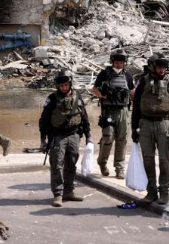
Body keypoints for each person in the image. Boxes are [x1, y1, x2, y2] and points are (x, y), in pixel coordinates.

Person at [130, 52, 169, 205]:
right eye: (159, 66)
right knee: (148, 159)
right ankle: (151, 191)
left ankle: (164, 192)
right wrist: (134, 128)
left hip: (163, 124)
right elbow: (136, 106)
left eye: (164, 67)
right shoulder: (143, 82)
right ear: (152, 67)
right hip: (145, 124)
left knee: (164, 160)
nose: (162, 70)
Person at [39, 68, 92, 207]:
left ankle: (69, 191)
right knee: (56, 164)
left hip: (74, 135)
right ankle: (58, 194)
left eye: (66, 85)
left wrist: (88, 137)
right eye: (61, 85)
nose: (63, 88)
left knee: (71, 164)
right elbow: (43, 120)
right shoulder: (51, 99)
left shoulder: (78, 97)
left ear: (70, 83)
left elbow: (84, 117)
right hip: (57, 136)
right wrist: (43, 139)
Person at [91, 48, 135, 179]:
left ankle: (119, 168)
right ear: (112, 61)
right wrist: (103, 96)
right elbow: (94, 89)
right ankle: (102, 162)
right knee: (108, 137)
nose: (119, 64)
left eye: (121, 62)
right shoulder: (104, 74)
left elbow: (132, 92)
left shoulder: (128, 75)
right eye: (117, 61)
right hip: (108, 111)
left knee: (122, 140)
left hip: (123, 111)